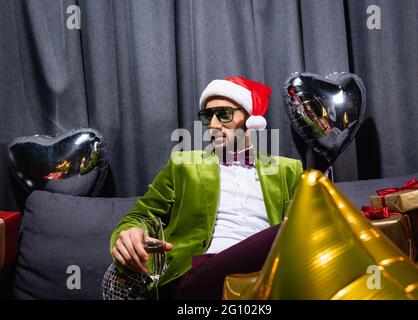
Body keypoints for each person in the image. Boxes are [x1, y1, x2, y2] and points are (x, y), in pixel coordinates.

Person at [110, 76, 303, 299]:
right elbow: (139, 216)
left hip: (269, 283)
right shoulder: (184, 165)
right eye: (207, 116)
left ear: (250, 119)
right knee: (287, 234)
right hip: (199, 278)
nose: (212, 124)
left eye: (223, 114)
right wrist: (128, 234)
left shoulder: (288, 170)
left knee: (298, 233)